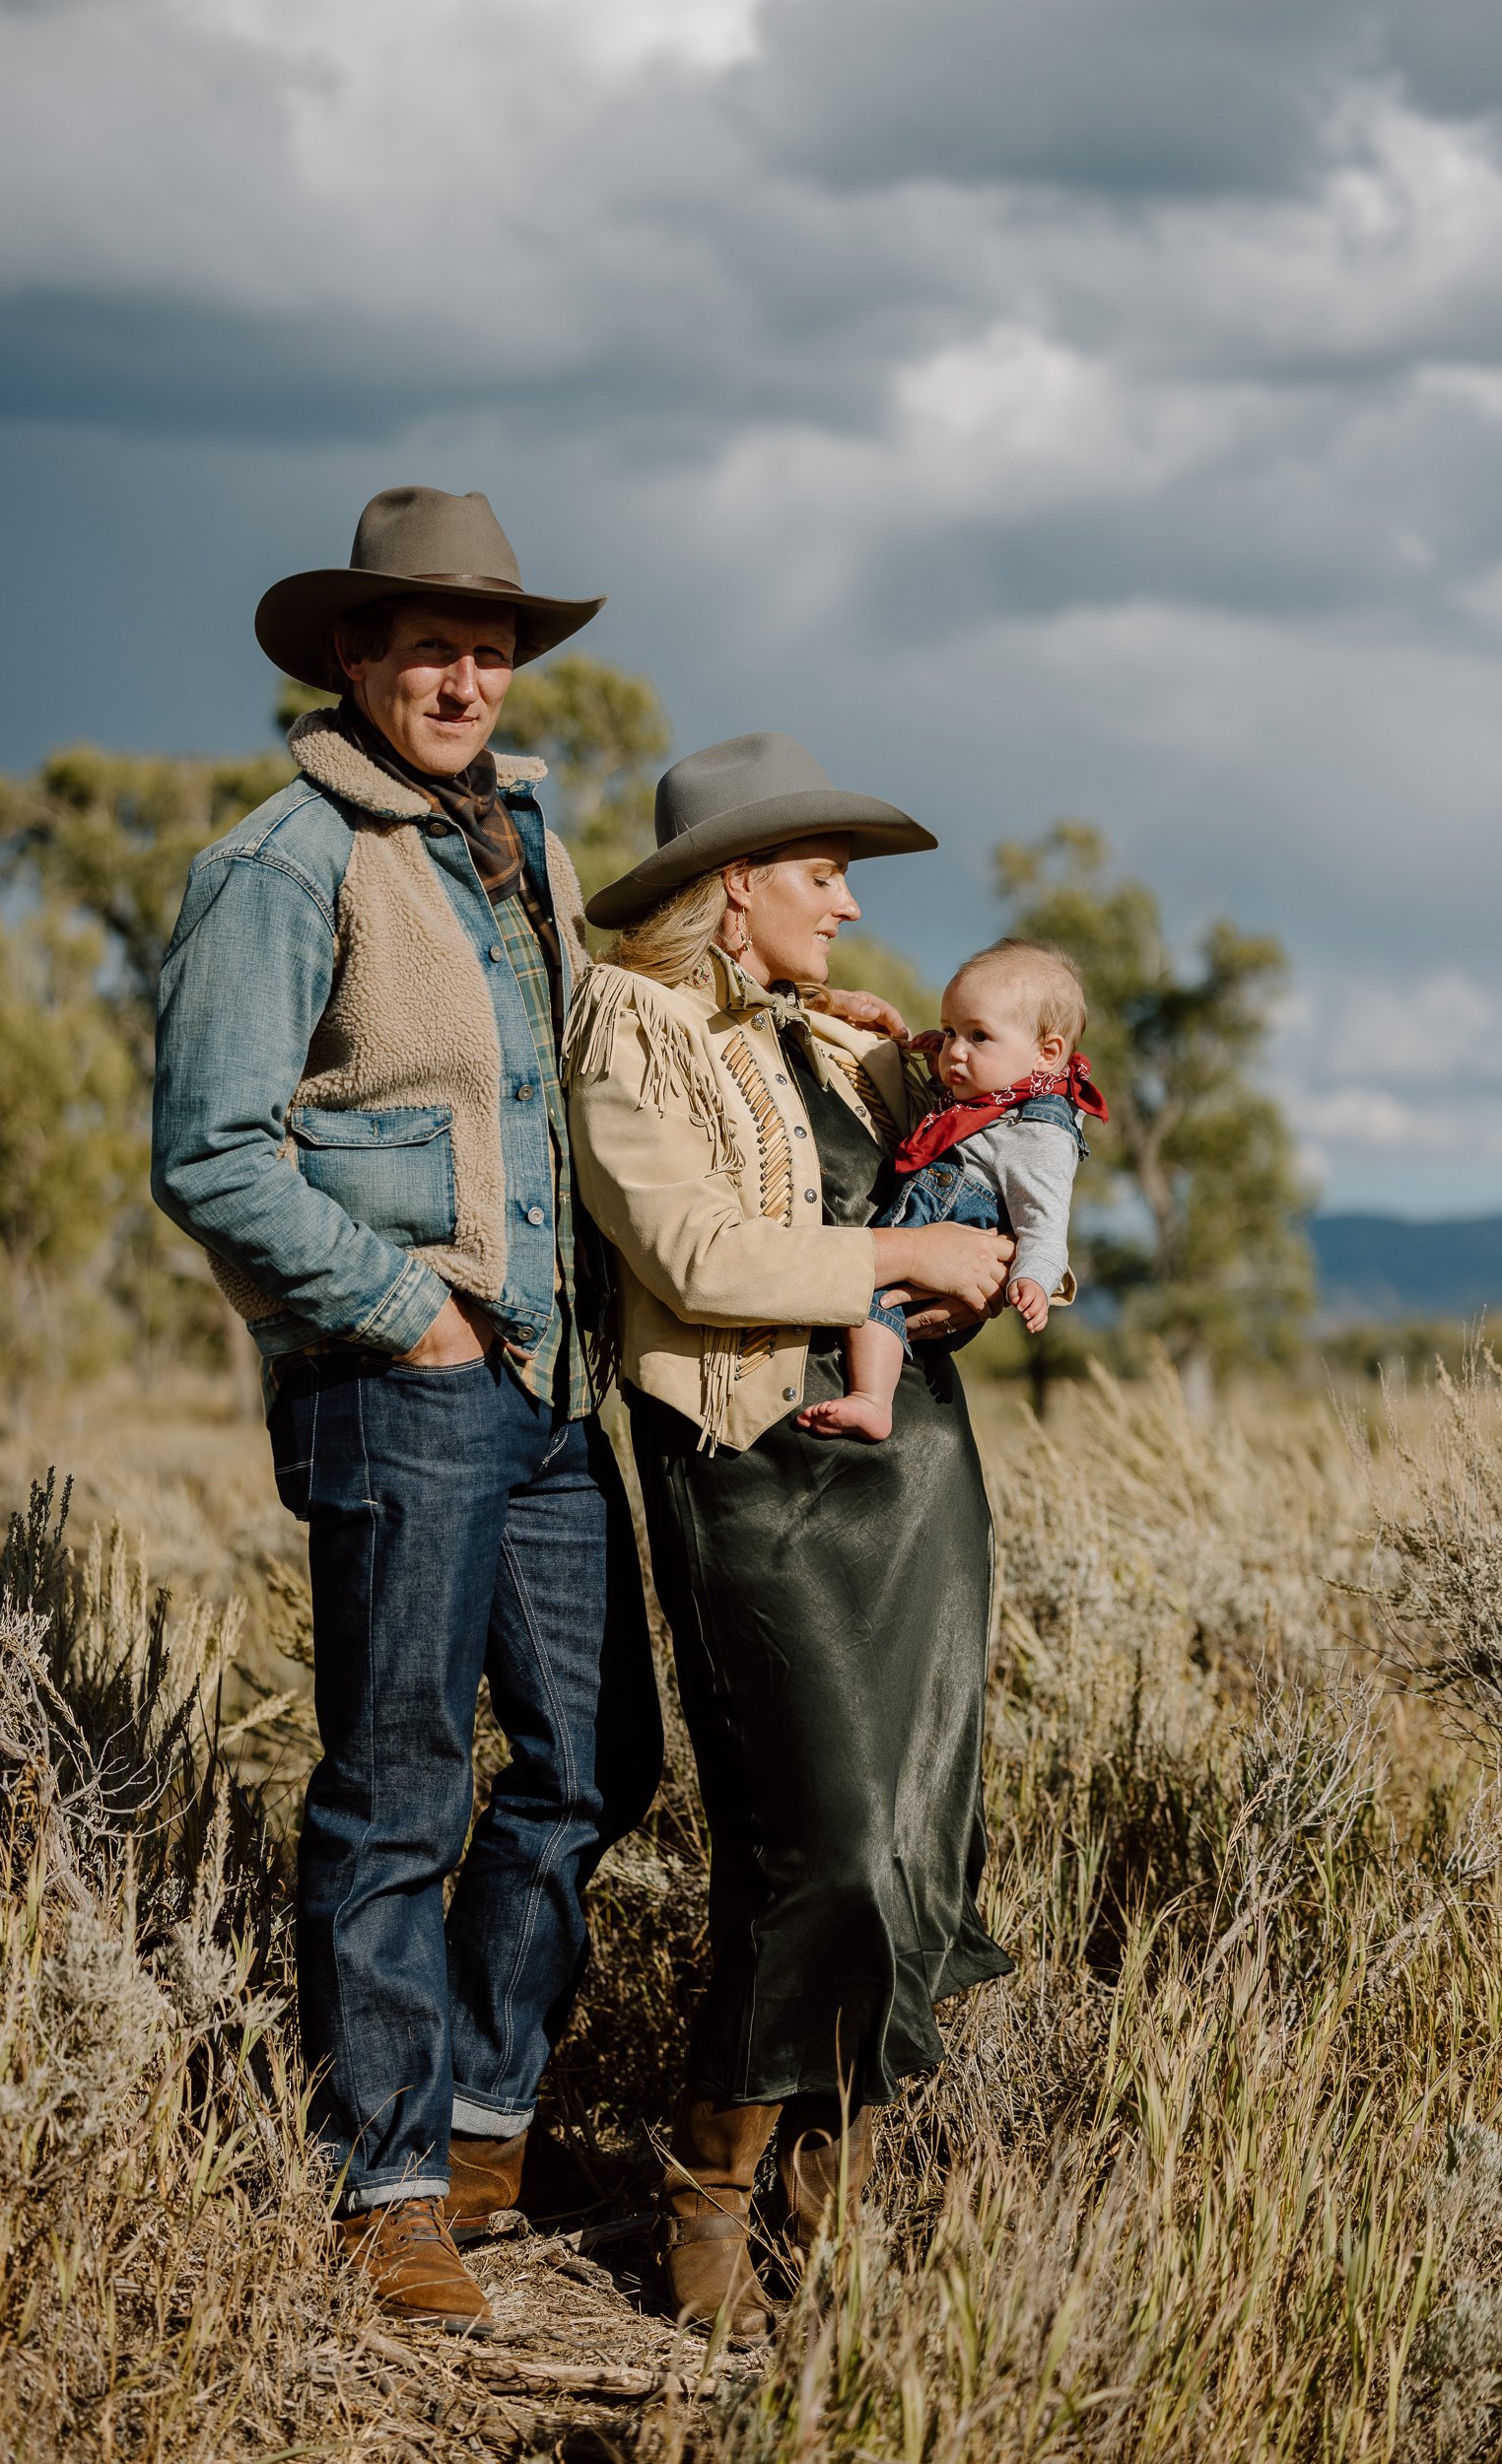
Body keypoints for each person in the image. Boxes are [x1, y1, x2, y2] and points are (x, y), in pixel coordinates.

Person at [149, 485, 662, 2336]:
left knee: (597, 1767)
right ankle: (386, 2187)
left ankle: (478, 2113)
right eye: (425, 643)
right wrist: (403, 1316)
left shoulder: (524, 842)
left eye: (488, 643)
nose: (463, 673)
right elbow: (211, 1155)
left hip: (550, 1389)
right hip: (405, 1384)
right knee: (393, 1794)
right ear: (352, 659)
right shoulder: (286, 861)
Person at [564, 730, 1018, 2345]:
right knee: (813, 1838)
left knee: (910, 1847)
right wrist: (911, 1251)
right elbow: (690, 1253)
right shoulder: (631, 1027)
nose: (841, 905)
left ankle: (819, 2212)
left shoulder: (820, 1041)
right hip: (749, 1468)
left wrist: (954, 1093)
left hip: (911, 1483)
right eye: (818, 874)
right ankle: (709, 2181)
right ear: (729, 884)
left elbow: (949, 1161)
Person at [797, 938, 1105, 1442]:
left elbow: (1045, 1223)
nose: (954, 1050)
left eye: (978, 1035)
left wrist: (1032, 1280)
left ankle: (871, 1400)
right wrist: (940, 1048)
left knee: (870, 1296)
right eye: (949, 1031)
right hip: (938, 1219)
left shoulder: (1041, 1133)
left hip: (952, 1228)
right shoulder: (996, 1093)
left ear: (1047, 1054)